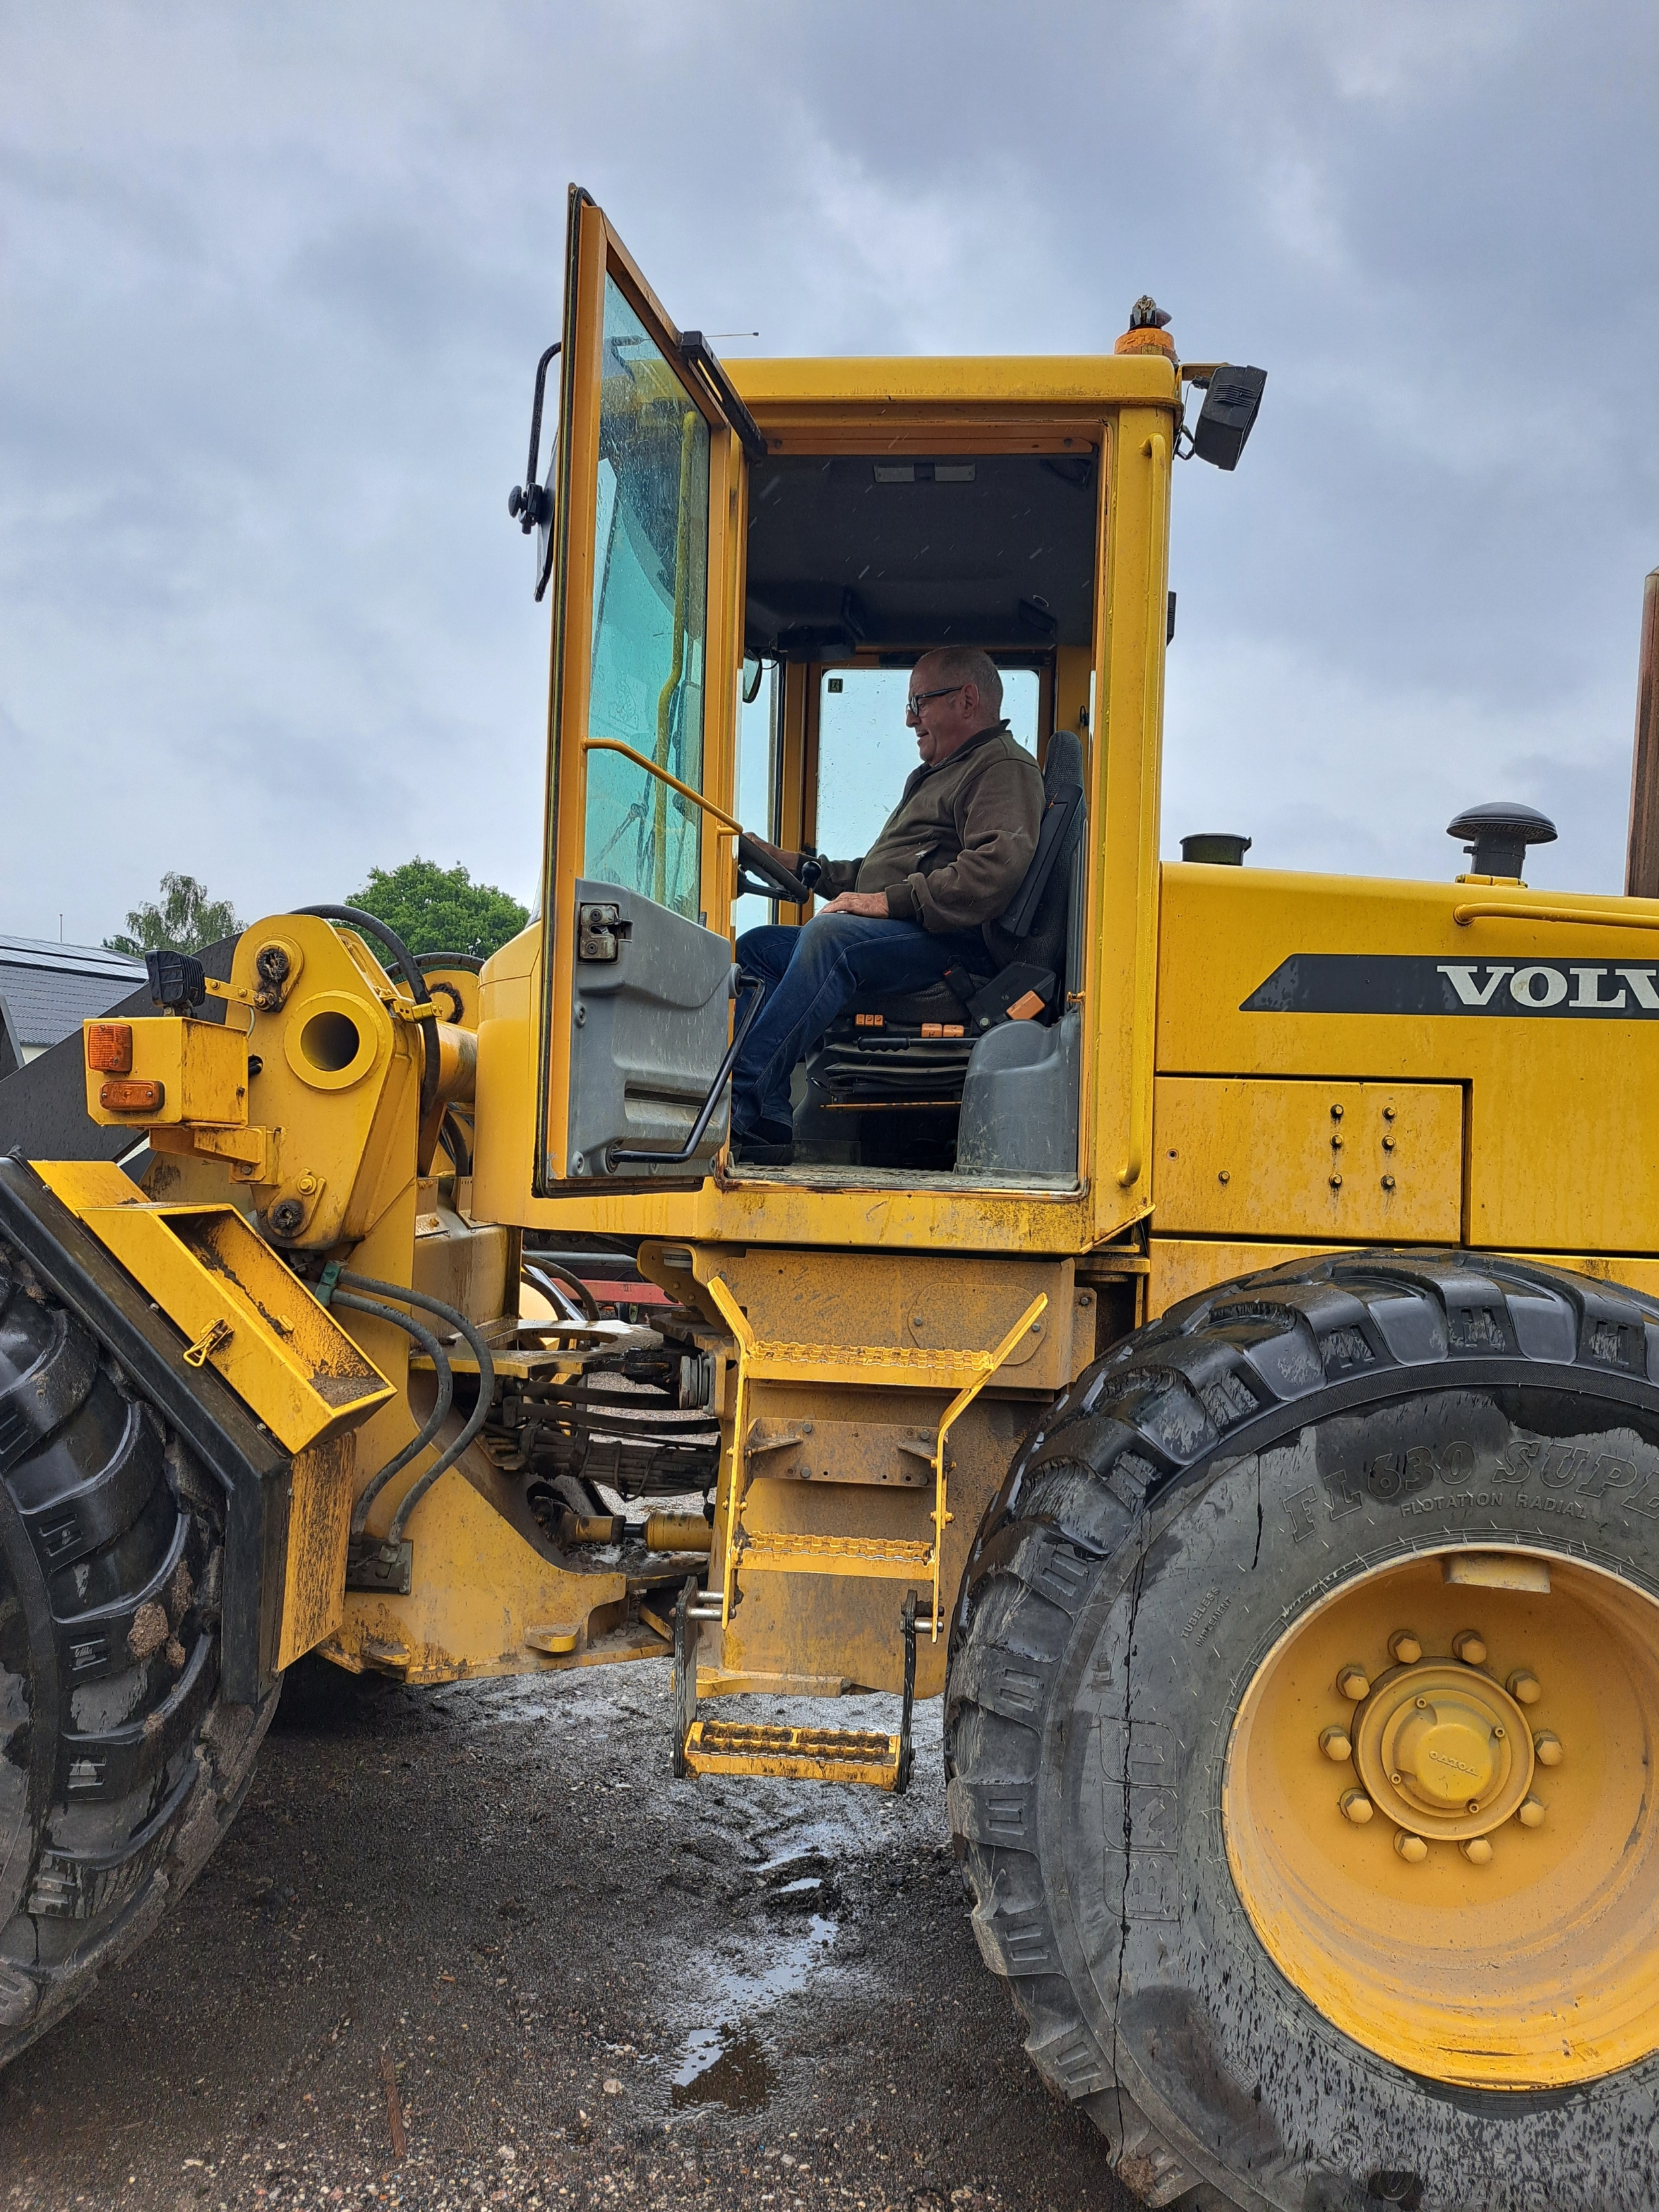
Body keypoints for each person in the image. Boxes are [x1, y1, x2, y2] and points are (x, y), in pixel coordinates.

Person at [731, 646, 1044, 1164]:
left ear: (967, 701)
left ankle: (733, 1106)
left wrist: (886, 900)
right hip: (909, 934)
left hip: (951, 951)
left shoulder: (1002, 767)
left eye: (919, 701)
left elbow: (994, 871)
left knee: (830, 938)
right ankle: (767, 1119)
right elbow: (885, 876)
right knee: (759, 949)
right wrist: (800, 865)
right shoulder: (938, 773)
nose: (908, 719)